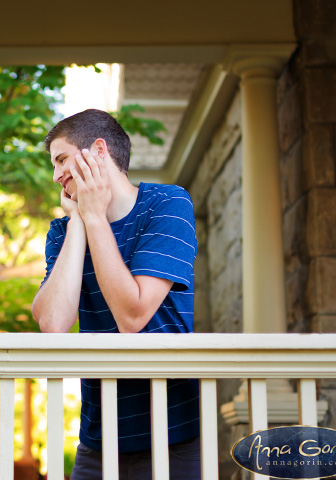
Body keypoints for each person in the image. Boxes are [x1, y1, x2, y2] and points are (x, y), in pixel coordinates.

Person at [31, 109, 200, 479]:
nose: (56, 175)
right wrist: (79, 220)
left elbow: (133, 315)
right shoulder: (62, 231)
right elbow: (53, 323)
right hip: (98, 437)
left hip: (173, 433)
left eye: (61, 159)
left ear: (99, 150)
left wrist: (94, 217)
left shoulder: (168, 204)